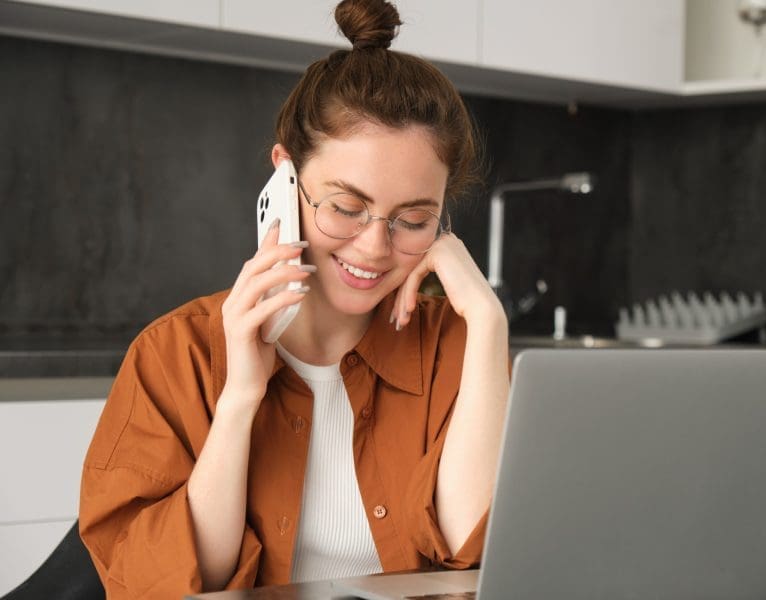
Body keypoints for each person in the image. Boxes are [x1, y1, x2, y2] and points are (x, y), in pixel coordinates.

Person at [77, 0, 510, 596]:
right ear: (284, 178)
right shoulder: (173, 354)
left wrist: (487, 324)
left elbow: (477, 556)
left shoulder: (457, 349)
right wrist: (239, 400)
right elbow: (160, 586)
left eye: (413, 218)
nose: (375, 247)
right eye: (345, 207)